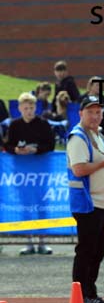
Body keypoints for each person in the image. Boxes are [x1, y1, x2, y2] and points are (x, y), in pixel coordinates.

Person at [66, 96, 104, 303]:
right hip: (89, 203)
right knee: (87, 251)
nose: (95, 116)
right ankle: (80, 295)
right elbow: (79, 168)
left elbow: (101, 162)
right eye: (91, 112)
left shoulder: (98, 135)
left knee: (97, 251)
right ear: (81, 113)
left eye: (99, 112)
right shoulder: (78, 137)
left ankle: (91, 292)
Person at [5, 92, 57, 256]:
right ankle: (29, 242)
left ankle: (42, 241)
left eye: (32, 107)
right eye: (26, 108)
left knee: (42, 205)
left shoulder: (43, 124)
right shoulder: (14, 125)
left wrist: (36, 150)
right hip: (22, 173)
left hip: (40, 172)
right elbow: (7, 145)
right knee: (25, 206)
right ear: (20, 108)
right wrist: (16, 150)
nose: (29, 111)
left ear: (36, 108)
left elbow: (51, 145)